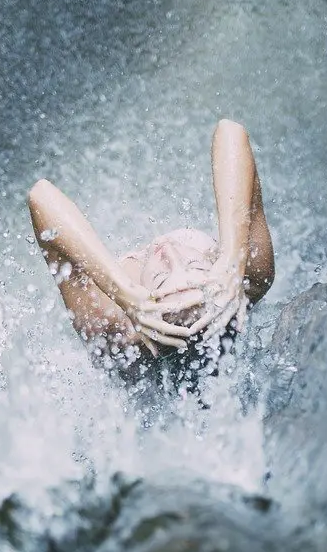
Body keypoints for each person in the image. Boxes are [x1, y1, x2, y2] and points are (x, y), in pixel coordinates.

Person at [28, 119, 274, 372]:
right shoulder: (245, 281)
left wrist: (121, 292)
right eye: (195, 266)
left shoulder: (114, 329)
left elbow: (41, 195)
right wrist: (233, 257)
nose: (167, 250)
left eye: (159, 278)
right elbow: (230, 130)